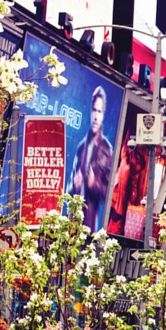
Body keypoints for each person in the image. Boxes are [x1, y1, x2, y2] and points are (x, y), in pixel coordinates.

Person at [67, 86, 113, 232]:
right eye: (94, 110)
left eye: (99, 112)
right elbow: (68, 186)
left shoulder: (106, 149)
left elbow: (109, 193)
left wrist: (94, 184)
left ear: (103, 114)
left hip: (89, 224)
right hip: (71, 221)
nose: (95, 116)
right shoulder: (82, 147)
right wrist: (74, 184)